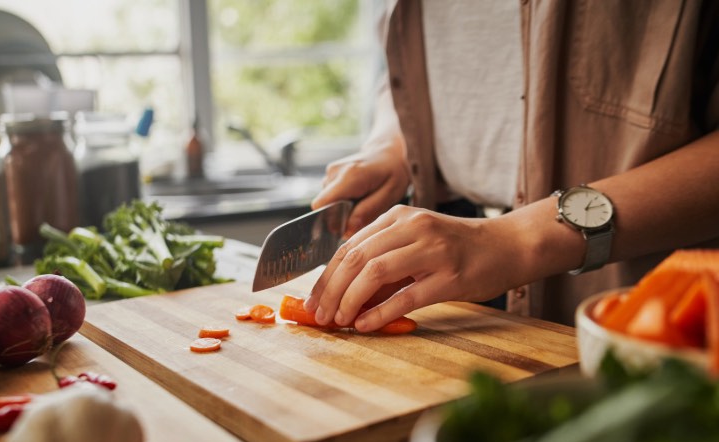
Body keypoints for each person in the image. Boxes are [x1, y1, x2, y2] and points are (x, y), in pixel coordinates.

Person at [304, 0, 719, 331]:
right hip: (446, 267)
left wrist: (519, 239)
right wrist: (393, 142)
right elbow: (409, 68)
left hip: (640, 295)